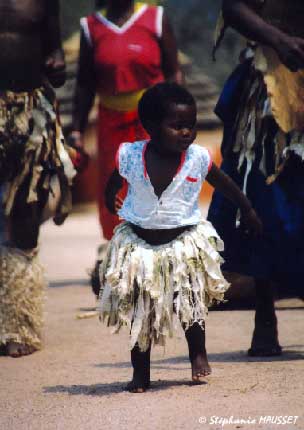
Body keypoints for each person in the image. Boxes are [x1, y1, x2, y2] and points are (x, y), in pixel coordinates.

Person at [98, 82, 262, 393]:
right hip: (138, 247)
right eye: (177, 126)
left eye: (191, 125)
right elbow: (113, 182)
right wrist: (110, 200)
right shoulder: (131, 155)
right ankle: (140, 371)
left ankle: (197, 354)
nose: (186, 132)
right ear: (150, 127)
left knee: (190, 305)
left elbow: (226, 185)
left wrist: (248, 209)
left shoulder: (198, 157)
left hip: (182, 245)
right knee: (140, 310)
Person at [208, 0, 304, 356]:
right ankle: (265, 316)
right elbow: (233, 7)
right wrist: (279, 40)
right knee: (265, 196)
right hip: (270, 83)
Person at [69, 0, 182, 285]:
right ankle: (121, 260)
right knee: (114, 190)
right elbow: (84, 84)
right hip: (111, 121)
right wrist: (77, 131)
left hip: (153, 120)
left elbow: (174, 72)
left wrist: (178, 120)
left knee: (157, 186)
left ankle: (163, 259)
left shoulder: (155, 19)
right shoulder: (91, 27)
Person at [0, 0, 75, 357]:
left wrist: (56, 64)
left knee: (25, 218)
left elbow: (54, 51)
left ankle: (19, 325)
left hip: (29, 115)